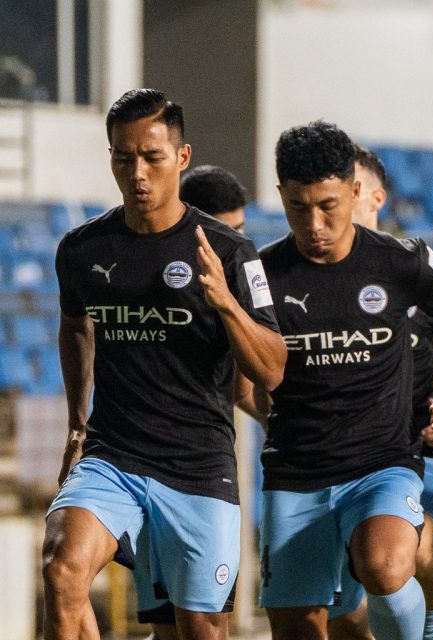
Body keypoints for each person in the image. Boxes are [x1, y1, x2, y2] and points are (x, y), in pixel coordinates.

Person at [42, 88, 286, 640]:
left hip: (198, 466)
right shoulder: (81, 249)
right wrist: (78, 423)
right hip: (113, 457)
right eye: (123, 157)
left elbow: (272, 368)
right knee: (62, 568)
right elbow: (75, 325)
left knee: (198, 627)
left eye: (152, 156)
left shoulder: (229, 253)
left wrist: (225, 303)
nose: (138, 173)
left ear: (181, 157)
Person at [254, 121, 433, 640]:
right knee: (302, 629)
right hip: (296, 472)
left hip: (382, 464)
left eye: (328, 206)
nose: (313, 224)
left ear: (355, 192)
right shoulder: (262, 276)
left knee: (385, 565)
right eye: (297, 207)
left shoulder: (401, 261)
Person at [322, 147, 433, 640]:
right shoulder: (320, 276)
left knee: (416, 551)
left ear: (374, 197)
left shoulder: (411, 267)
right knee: (347, 608)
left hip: (416, 443)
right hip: (340, 451)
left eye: (347, 187)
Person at [134, 163, 256, 640]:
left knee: (196, 623)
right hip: (151, 469)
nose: (234, 243)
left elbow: (246, 388)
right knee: (179, 625)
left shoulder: (241, 281)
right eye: (224, 230)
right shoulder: (156, 283)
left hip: (202, 472)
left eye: (240, 230)